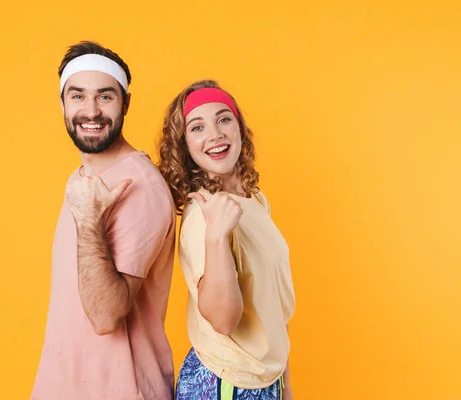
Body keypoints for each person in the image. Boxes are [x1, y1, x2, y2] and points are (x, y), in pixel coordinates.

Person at [31, 41, 176, 400]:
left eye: (105, 97)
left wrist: (90, 221)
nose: (91, 111)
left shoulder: (139, 185)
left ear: (126, 102)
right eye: (78, 96)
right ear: (62, 102)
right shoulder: (84, 178)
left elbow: (105, 317)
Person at [157, 80, 296, 400]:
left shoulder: (254, 199)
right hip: (224, 383)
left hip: (263, 380)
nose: (215, 134)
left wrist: (285, 386)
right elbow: (223, 319)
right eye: (197, 127)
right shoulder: (203, 218)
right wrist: (217, 237)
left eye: (223, 119)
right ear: (185, 145)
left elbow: (274, 307)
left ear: (239, 128)